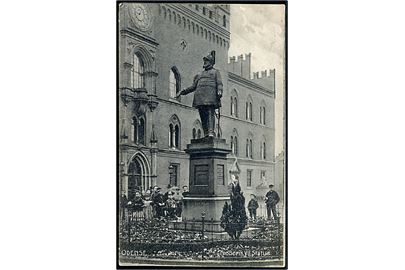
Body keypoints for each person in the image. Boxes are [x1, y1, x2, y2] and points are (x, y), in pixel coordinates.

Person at [176, 51, 223, 137]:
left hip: (210, 97)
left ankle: (211, 132)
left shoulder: (216, 72)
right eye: (204, 60)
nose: (205, 62)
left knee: (210, 114)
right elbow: (193, 87)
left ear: (211, 62)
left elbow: (219, 83)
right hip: (200, 98)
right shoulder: (200, 74)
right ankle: (206, 133)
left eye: (207, 60)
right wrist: (182, 92)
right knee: (202, 116)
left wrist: (219, 91)